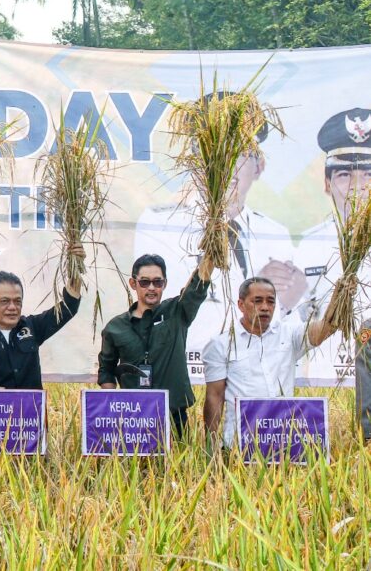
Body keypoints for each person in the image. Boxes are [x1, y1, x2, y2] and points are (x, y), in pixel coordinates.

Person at [134, 95, 297, 382]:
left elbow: (280, 318)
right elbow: (166, 305)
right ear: (195, 162)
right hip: (189, 370)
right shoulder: (160, 223)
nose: (227, 165)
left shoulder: (276, 234)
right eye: (215, 153)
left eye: (241, 152)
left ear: (259, 166)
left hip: (255, 373)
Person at [202, 277, 339, 448]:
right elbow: (214, 397)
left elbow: (324, 329)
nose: (265, 307)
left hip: (284, 443)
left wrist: (341, 296)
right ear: (241, 304)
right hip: (238, 445)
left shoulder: (289, 335)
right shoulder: (221, 344)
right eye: (257, 301)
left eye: (270, 301)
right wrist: (211, 448)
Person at [97, 253, 215, 439]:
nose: (151, 288)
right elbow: (106, 370)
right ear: (133, 284)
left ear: (164, 284)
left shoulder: (177, 312)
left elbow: (198, 287)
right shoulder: (115, 327)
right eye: (144, 282)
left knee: (177, 467)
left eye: (157, 282)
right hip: (133, 418)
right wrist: (114, 407)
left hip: (174, 416)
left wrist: (212, 250)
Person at [0, 246, 85, 406]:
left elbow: (68, 308)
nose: (12, 307)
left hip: (31, 425)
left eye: (17, 301)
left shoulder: (32, 327)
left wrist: (75, 265)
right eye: (5, 301)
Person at [293, 107, 371, 383]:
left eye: (368, 175)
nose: (358, 186)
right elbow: (293, 323)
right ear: (327, 183)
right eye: (345, 175)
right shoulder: (309, 246)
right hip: (326, 381)